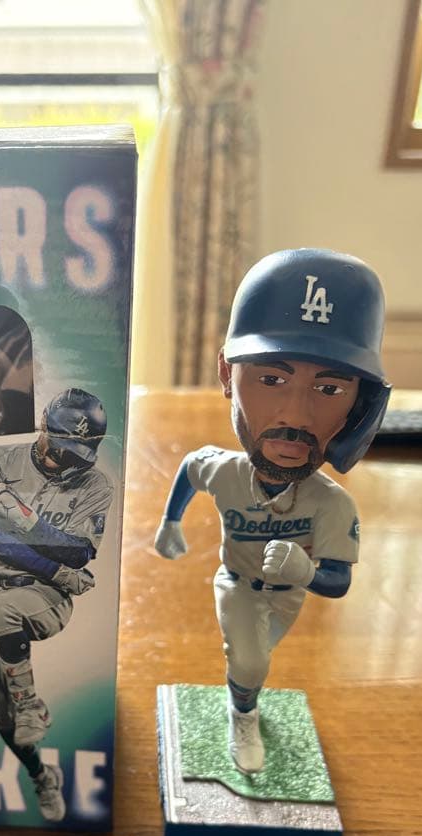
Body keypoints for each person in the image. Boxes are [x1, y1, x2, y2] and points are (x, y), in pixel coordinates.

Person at [155, 249, 389, 774]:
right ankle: (244, 716)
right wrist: (171, 521)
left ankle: (244, 697)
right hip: (238, 583)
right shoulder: (227, 472)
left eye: (329, 389)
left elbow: (338, 581)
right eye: (271, 379)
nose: (296, 415)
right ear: (226, 373)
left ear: (361, 403)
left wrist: (306, 572)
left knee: (255, 661)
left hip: (287, 598)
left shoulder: (331, 503)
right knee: (250, 660)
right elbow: (192, 467)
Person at [0, 388, 113, 820]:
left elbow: (78, 552)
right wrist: (57, 566)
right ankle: (41, 776)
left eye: (76, 453)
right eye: (60, 446)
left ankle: (31, 704)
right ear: (42, 426)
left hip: (45, 597)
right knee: (0, 716)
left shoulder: (96, 484)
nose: (63, 460)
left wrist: (20, 516)